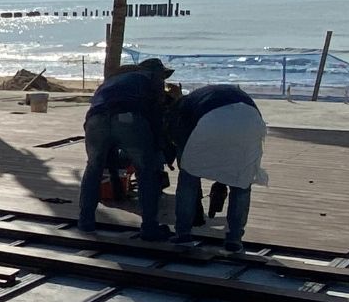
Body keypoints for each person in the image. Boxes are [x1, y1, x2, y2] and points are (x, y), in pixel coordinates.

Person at [77, 58, 175, 240]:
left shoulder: (114, 79)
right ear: (158, 73)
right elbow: (156, 114)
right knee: (146, 171)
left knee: (93, 168)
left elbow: (95, 105)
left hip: (95, 119)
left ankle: (85, 222)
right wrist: (160, 145)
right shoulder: (151, 78)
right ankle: (150, 228)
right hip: (128, 117)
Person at [169, 85, 267, 253]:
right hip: (250, 121)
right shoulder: (203, 96)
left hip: (210, 121)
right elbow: (226, 153)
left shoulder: (183, 108)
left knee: (188, 180)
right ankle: (234, 239)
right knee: (241, 183)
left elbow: (181, 143)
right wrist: (222, 182)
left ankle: (183, 234)